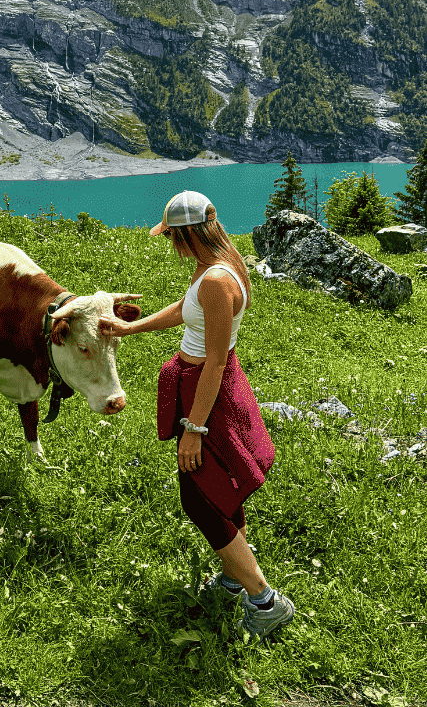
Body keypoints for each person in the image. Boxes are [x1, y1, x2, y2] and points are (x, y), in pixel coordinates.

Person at [99, 190, 295, 642]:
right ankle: (232, 578)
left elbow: (216, 361)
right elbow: (191, 313)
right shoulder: (223, 262)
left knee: (197, 496)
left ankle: (266, 601)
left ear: (186, 234)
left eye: (172, 236)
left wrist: (194, 429)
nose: (171, 245)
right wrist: (133, 326)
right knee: (220, 484)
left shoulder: (213, 280)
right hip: (215, 389)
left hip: (208, 393)